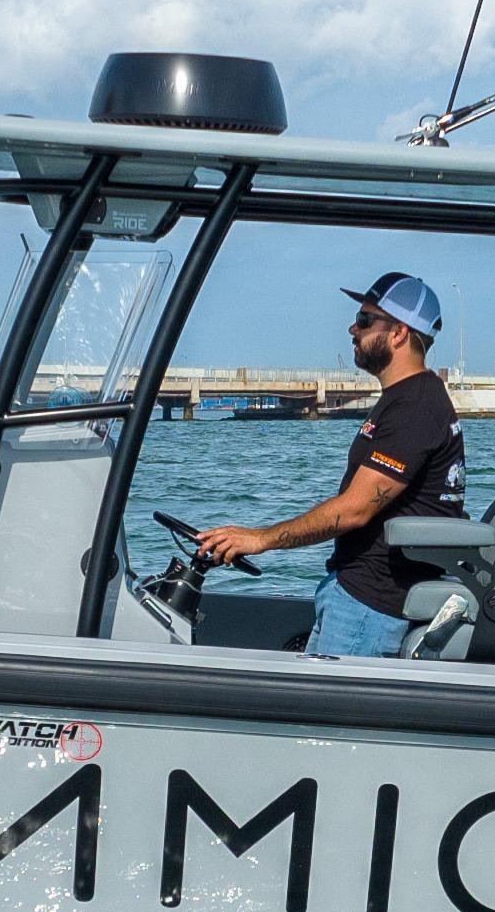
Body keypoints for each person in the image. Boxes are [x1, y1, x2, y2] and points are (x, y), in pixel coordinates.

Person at [196, 272, 467, 658]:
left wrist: (260, 539)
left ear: (399, 333)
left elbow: (354, 510)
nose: (353, 329)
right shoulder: (407, 398)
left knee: (333, 702)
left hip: (370, 605)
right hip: (356, 593)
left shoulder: (414, 407)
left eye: (365, 320)